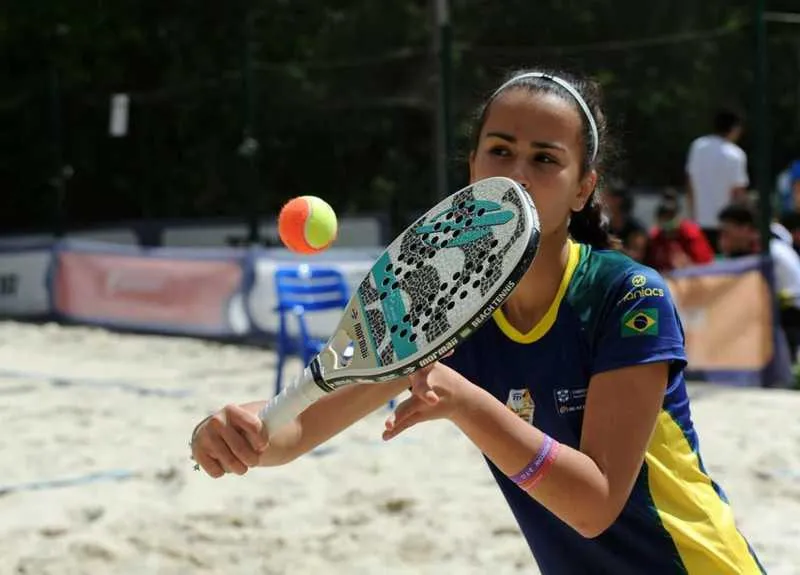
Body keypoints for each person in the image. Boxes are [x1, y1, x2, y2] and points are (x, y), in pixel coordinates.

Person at [190, 69, 765, 574]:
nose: (518, 174)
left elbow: (594, 506)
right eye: (500, 150)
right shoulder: (445, 302)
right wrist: (242, 438)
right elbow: (295, 433)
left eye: (545, 158)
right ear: (472, 169)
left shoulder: (625, 295)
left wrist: (467, 403)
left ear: (583, 187)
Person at [718, 202, 800, 362]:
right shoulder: (760, 248)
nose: (723, 238)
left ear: (746, 229)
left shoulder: (771, 253)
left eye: (727, 232)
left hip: (791, 321)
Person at [685, 107, 749, 248]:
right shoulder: (736, 155)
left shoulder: (698, 146)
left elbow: (690, 184)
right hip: (725, 226)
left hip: (698, 223)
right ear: (734, 128)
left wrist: (691, 215)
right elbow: (738, 194)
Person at [646, 189, 715, 273]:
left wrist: (688, 266)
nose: (667, 220)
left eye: (671, 216)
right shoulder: (655, 237)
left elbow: (707, 266)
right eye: (664, 216)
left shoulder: (691, 233)